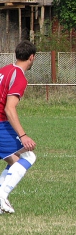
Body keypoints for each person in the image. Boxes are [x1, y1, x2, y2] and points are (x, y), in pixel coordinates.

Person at [0, 40, 37, 214]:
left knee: (14, 160)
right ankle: (2, 195)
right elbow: (9, 107)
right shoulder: (20, 77)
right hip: (0, 123)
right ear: (32, 57)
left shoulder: (4, 70)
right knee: (28, 156)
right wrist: (23, 135)